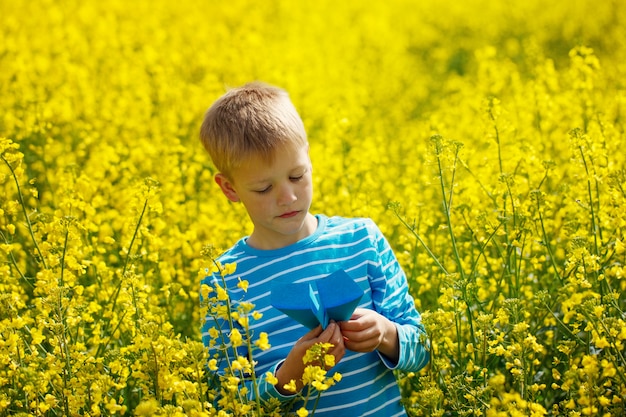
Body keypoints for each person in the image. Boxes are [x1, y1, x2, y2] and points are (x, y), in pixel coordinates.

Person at [199, 81, 429, 416]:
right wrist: (289, 376)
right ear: (230, 188)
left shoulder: (362, 240)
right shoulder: (223, 281)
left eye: (297, 176)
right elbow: (227, 401)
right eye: (264, 188)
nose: (288, 198)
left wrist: (386, 334)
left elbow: (422, 348)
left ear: (309, 156)